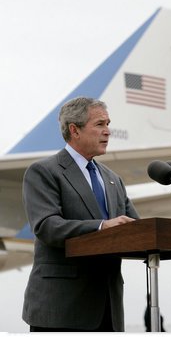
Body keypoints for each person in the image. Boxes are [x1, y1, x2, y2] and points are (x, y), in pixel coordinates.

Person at [22, 97, 139, 332]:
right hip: (61, 309)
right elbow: (47, 226)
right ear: (74, 130)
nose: (108, 131)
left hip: (108, 310)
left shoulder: (114, 179)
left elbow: (135, 230)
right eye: (99, 124)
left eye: (108, 124)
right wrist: (101, 227)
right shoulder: (44, 171)